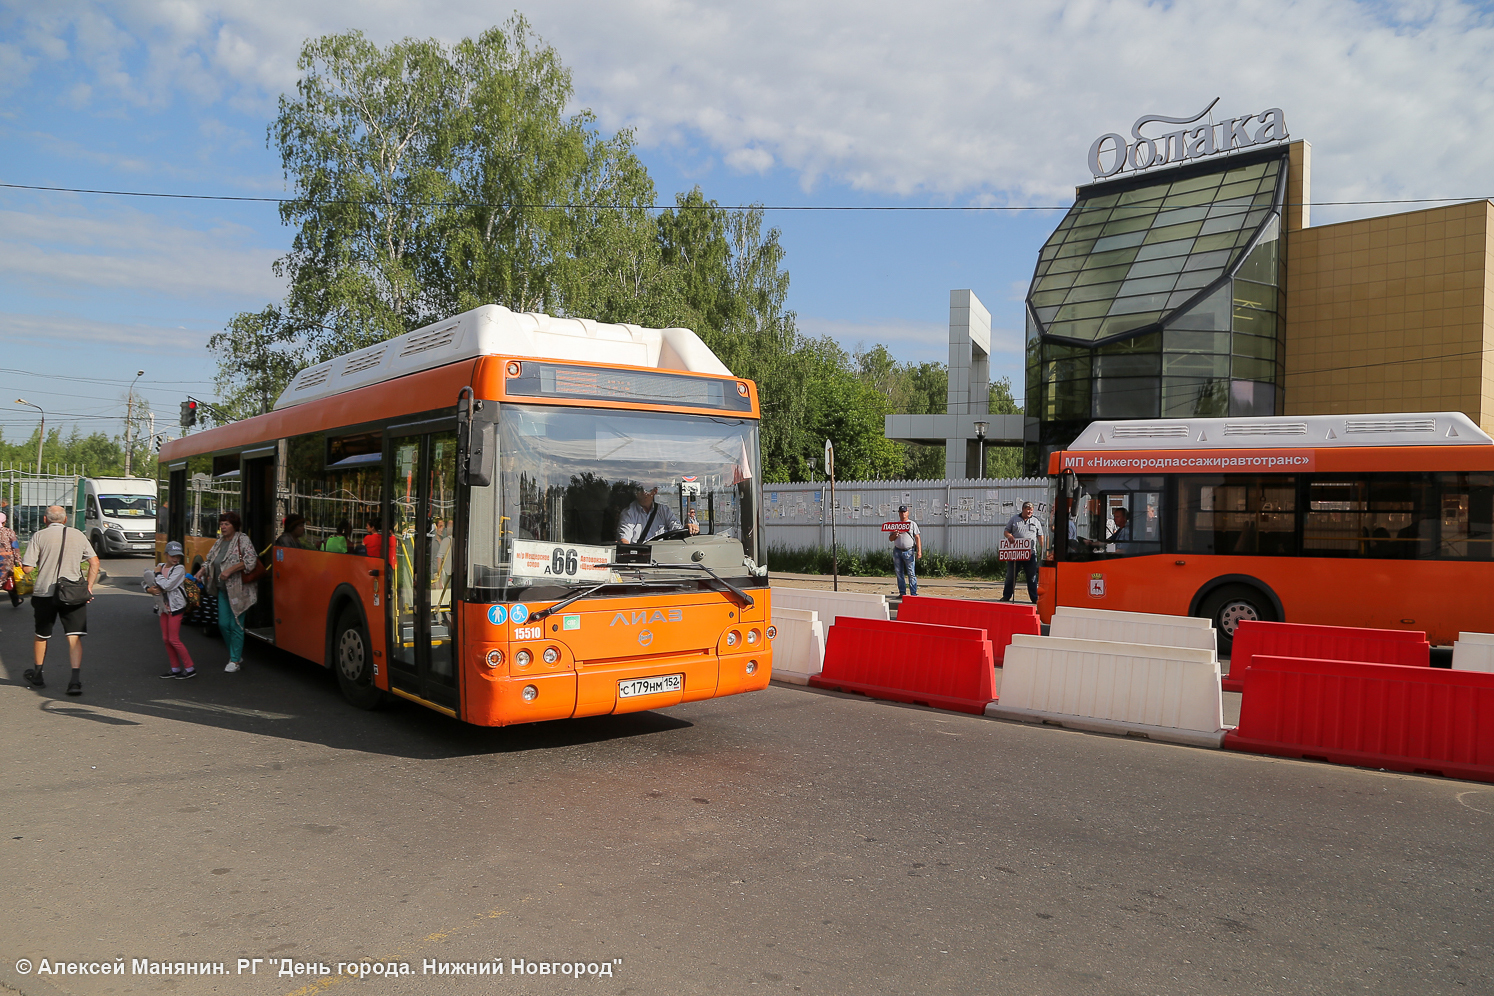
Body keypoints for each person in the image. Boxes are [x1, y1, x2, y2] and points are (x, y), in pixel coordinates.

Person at [21, 505, 99, 695]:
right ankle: (74, 681)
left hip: (44, 593)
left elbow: (27, 569)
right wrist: (88, 587)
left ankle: (38, 675)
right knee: (74, 636)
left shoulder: (39, 536)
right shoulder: (78, 535)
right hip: (72, 593)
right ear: (65, 520)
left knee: (42, 634)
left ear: (45, 520)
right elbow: (94, 562)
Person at [196, 510, 257, 673]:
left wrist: (230, 570)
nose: (223, 527)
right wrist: (201, 571)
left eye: (226, 524)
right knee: (223, 623)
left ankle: (235, 660)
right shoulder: (220, 541)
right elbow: (209, 560)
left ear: (234, 526)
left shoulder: (242, 539)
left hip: (239, 590)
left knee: (235, 623)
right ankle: (235, 652)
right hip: (222, 590)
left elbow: (251, 560)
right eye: (221, 524)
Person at [146, 540, 197, 679]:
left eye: (178, 556)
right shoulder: (160, 567)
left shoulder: (179, 569)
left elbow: (168, 585)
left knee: (174, 639)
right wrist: (148, 589)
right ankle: (175, 668)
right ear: (166, 554)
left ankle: (190, 667)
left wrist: (157, 575)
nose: (175, 559)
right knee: (166, 639)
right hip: (163, 608)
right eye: (172, 556)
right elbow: (146, 581)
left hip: (176, 607)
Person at [617, 486, 697, 544]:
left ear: (655, 491)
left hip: (662, 556)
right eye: (640, 490)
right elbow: (624, 539)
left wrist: (688, 528)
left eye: (647, 489)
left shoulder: (664, 511)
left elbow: (676, 528)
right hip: (639, 558)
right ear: (636, 493)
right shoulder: (629, 513)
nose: (644, 493)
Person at [1001, 501, 1044, 604]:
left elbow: (1040, 535)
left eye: (1031, 510)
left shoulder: (1036, 521)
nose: (1030, 512)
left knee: (1032, 577)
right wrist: (1010, 536)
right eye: (1028, 509)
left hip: (1030, 554)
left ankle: (1034, 598)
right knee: (1011, 576)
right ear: (1023, 509)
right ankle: (1006, 596)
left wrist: (1043, 548)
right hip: (1015, 554)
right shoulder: (1014, 519)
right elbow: (1006, 531)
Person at [888, 504, 921, 597]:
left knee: (911, 573)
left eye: (904, 512)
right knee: (899, 573)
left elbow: (917, 537)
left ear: (908, 513)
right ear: (899, 513)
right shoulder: (895, 525)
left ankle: (913, 594)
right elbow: (891, 538)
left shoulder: (912, 524)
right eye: (901, 512)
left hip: (909, 551)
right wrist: (895, 534)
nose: (903, 514)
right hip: (897, 551)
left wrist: (919, 551)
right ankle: (902, 593)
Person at [0, 511, 21, 608]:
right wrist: (18, 560)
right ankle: (16, 599)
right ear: (4, 522)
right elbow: (15, 546)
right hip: (7, 559)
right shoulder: (9, 532)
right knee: (9, 579)